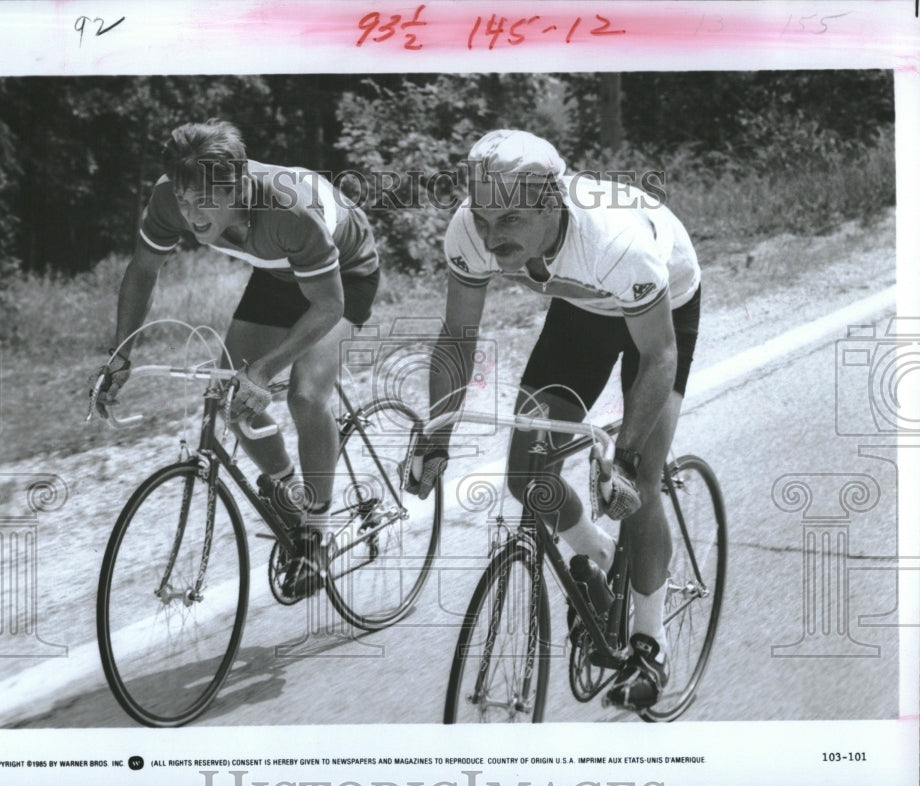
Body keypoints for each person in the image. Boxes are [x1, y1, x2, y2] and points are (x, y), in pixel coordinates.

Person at [406, 129, 701, 711]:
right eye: (485, 220)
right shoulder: (470, 230)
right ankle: (599, 554)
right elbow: (458, 339)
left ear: (552, 202)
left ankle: (651, 642)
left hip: (661, 308)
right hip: (582, 308)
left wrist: (626, 455)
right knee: (527, 477)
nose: (492, 239)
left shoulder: (615, 241)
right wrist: (434, 438)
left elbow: (659, 355)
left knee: (637, 484)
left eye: (510, 220)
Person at [90, 119, 381, 599]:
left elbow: (327, 305)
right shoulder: (171, 196)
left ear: (241, 186)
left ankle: (315, 532)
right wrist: (120, 355)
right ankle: (289, 492)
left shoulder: (288, 209)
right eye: (186, 201)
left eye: (206, 200)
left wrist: (264, 370)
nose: (193, 214)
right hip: (280, 269)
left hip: (343, 275)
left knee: (306, 397)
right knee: (228, 392)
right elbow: (143, 269)